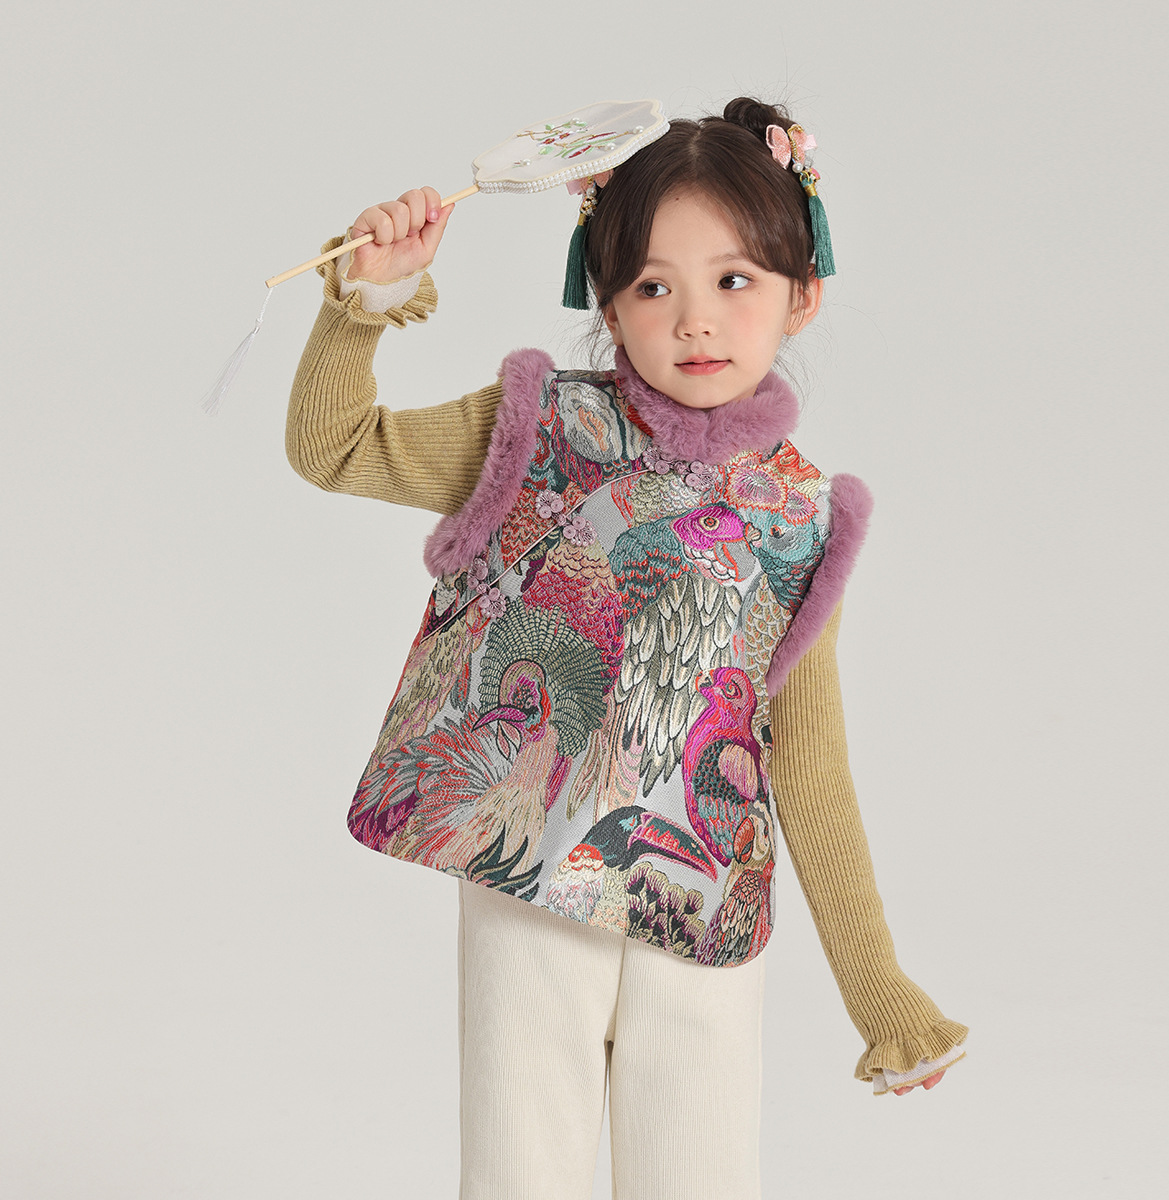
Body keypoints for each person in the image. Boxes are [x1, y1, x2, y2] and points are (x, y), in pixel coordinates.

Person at [286, 96, 968, 1200]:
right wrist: (364, 303)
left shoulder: (802, 521)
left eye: (734, 280)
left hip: (698, 912)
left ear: (803, 295)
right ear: (606, 303)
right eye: (654, 286)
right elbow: (334, 447)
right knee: (518, 1175)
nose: (696, 321)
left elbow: (807, 765)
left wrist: (879, 992)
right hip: (528, 889)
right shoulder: (539, 430)